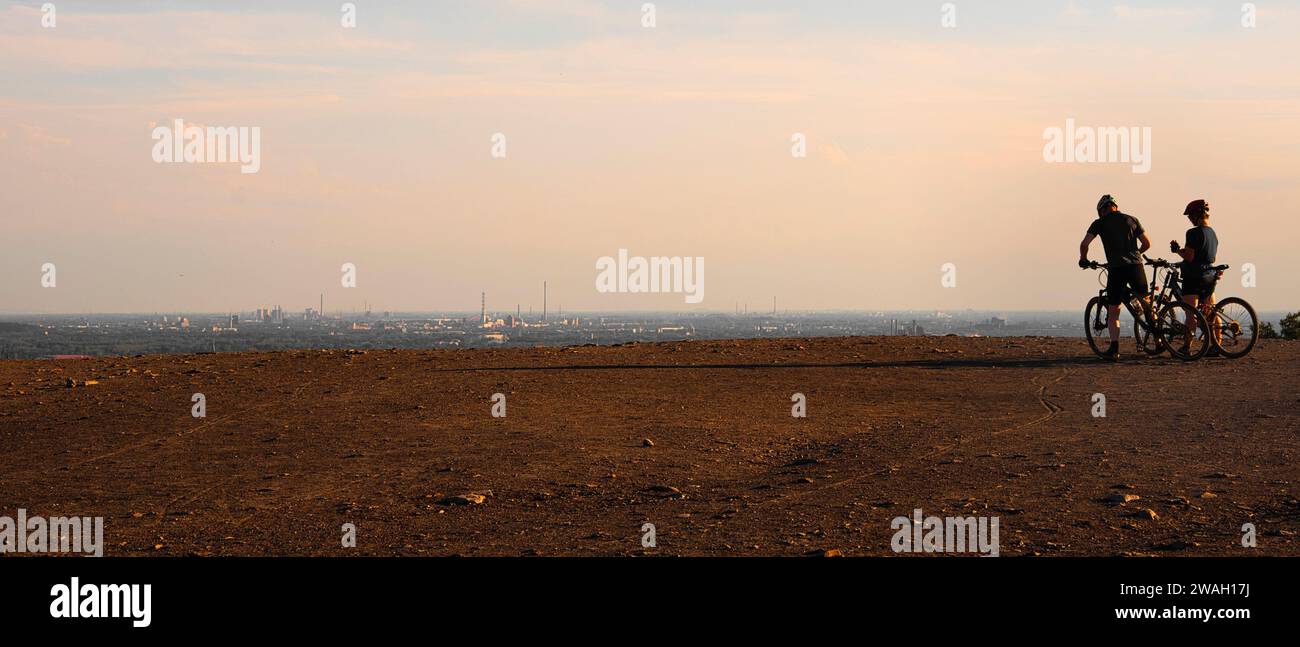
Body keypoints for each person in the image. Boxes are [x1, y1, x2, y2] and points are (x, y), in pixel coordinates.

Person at [1079, 194, 1152, 360]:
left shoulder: (1100, 223)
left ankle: (1114, 349)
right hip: (1136, 266)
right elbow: (1147, 243)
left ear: (1102, 210)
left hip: (1117, 268)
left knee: (1114, 310)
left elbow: (1084, 244)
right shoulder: (1132, 219)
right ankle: (1159, 336)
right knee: (1145, 301)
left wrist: (1083, 259)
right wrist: (1135, 255)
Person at [1170, 199, 1221, 353]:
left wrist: (1177, 250)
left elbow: (1190, 257)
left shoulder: (1193, 232)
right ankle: (1217, 345)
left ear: (1197, 215)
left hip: (1193, 277)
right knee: (1211, 312)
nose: (1189, 219)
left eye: (1190, 216)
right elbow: (1209, 257)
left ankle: (1186, 347)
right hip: (1209, 275)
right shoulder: (1213, 233)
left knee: (1190, 313)